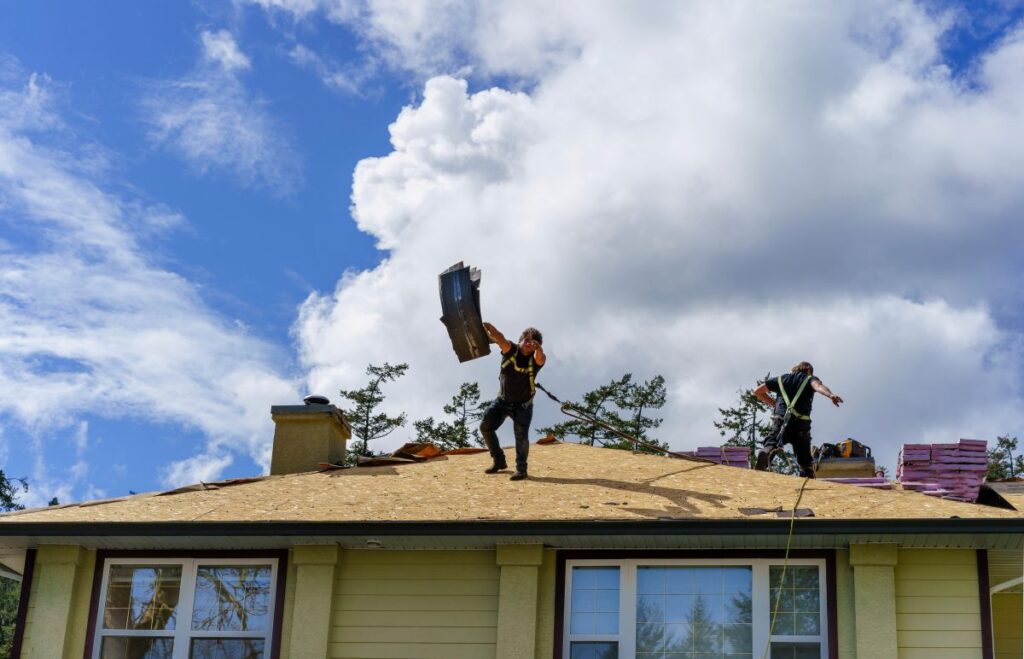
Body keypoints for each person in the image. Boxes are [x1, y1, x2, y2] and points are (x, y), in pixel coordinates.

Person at [479, 322, 546, 481]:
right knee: (485, 427)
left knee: (521, 436)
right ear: (521, 339)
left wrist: (539, 349)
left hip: (523, 406)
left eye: (534, 343)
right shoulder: (510, 350)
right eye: (527, 340)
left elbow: (541, 359)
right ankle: (499, 461)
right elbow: (499, 338)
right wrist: (487, 327)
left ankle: (521, 470)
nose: (529, 344)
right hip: (502, 402)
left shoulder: (535, 359)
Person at [753, 361, 843, 477]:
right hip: (801, 424)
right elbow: (818, 386)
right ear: (809, 370)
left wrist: (774, 404)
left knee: (772, 443)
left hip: (781, 420)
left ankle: (765, 454)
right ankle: (806, 473)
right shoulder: (809, 379)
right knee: (805, 459)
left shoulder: (781, 379)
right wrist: (830, 395)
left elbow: (758, 392)